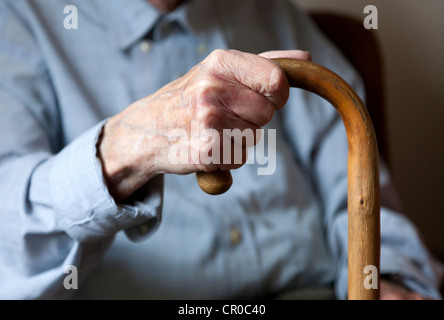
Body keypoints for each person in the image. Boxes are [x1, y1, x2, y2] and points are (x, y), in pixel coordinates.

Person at [0, 0, 442, 300]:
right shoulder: (21, 20)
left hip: (315, 288)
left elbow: (355, 191)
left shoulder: (269, 12)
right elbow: (9, 234)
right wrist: (124, 148)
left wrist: (384, 278)